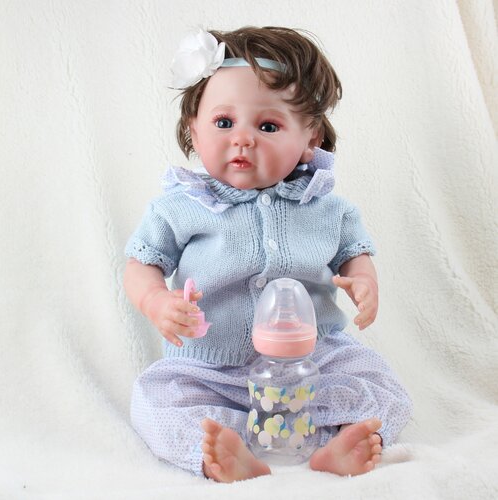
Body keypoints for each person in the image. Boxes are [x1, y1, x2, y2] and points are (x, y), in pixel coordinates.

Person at [124, 26, 412, 483]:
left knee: (382, 386)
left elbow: (354, 255)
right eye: (224, 123)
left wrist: (364, 282)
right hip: (212, 369)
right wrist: (157, 301)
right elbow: (142, 265)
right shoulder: (180, 207)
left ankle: (335, 443)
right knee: (155, 400)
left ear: (310, 138)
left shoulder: (328, 209)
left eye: (268, 126)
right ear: (193, 128)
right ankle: (224, 447)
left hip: (313, 364)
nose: (243, 139)